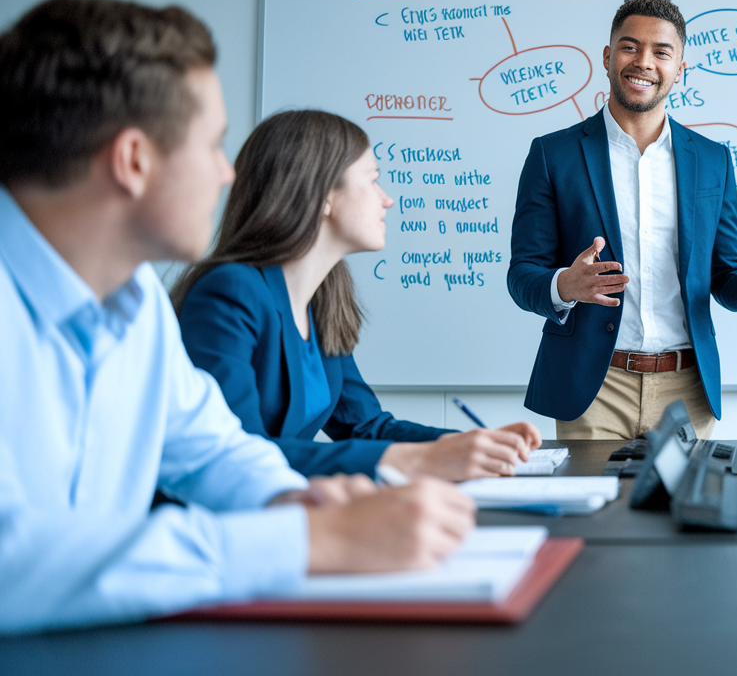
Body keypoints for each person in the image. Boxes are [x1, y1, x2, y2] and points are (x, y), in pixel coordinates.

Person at [0, 0, 475, 634]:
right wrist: (309, 542)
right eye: (215, 145)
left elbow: (210, 449)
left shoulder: (135, 306)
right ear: (134, 161)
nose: (229, 173)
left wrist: (297, 501)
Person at [173, 110, 541, 480]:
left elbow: (365, 427)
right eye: (373, 181)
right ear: (323, 197)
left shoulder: (322, 301)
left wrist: (473, 445)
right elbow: (237, 453)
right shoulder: (230, 292)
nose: (387, 200)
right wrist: (412, 461)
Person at [507, 0, 737, 440]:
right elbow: (523, 275)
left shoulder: (712, 161)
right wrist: (563, 287)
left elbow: (725, 275)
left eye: (661, 52)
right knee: (593, 512)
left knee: (686, 512)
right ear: (609, 57)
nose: (643, 62)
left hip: (686, 390)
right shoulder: (553, 155)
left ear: (679, 69)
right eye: (630, 47)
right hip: (593, 389)